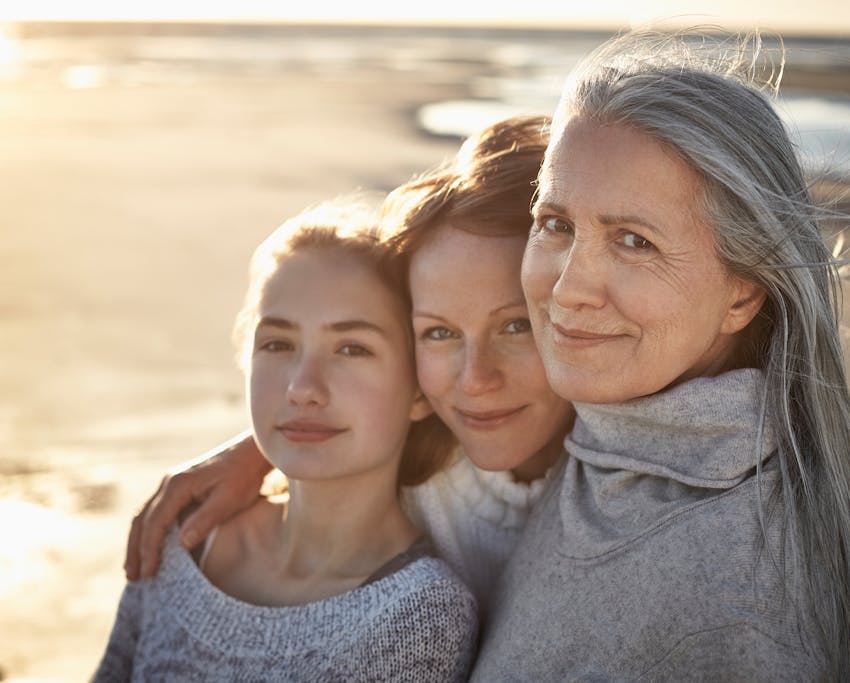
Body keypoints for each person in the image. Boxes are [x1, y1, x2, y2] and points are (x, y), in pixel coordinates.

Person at [470, 31, 850, 680]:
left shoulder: (739, 591)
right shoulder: (592, 422)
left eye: (633, 241)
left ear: (743, 292)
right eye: (556, 224)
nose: (566, 289)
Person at [122, 114, 575, 609]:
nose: (476, 379)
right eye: (439, 333)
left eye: (516, 326)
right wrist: (263, 450)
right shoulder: (426, 463)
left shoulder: (631, 461)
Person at [94, 202, 478, 681]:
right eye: (277, 344)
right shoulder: (186, 534)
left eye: (352, 348)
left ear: (420, 389)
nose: (303, 388)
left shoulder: (419, 614)